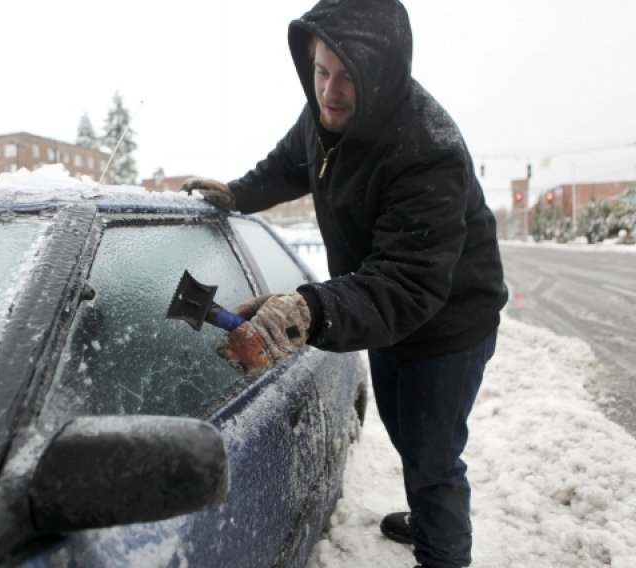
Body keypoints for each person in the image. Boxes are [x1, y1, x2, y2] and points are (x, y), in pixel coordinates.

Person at [180, 1, 507, 566]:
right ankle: (432, 515)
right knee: (410, 438)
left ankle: (443, 550)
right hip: (386, 314)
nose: (329, 91)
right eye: (320, 70)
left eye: (347, 76)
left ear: (380, 73)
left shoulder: (428, 149)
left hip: (449, 323)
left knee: (433, 458)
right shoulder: (324, 114)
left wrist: (302, 313)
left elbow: (407, 284)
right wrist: (237, 195)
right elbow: (289, 165)